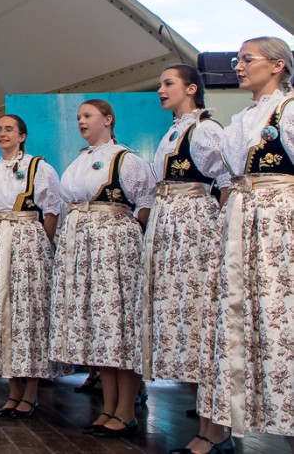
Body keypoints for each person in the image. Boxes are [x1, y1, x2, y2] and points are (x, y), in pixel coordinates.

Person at [195, 37, 294, 454]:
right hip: (244, 222)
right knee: (247, 319)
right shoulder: (243, 119)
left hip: (277, 222)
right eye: (236, 59)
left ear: (276, 65)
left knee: (280, 315)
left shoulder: (289, 110)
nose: (238, 65)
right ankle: (244, 417)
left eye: (247, 58)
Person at [136, 65, 230, 452]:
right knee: (184, 326)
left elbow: (226, 182)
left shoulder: (205, 130)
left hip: (194, 232)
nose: (161, 89)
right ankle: (206, 422)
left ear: (191, 89)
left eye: (168, 83)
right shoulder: (174, 131)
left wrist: (217, 233)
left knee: (200, 323)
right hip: (170, 229)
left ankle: (216, 429)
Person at [50, 99, 154, 438]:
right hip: (82, 248)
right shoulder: (80, 160)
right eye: (79, 116)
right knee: (100, 329)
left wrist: (124, 235)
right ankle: (109, 406)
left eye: (88, 115)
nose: (81, 121)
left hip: (113, 248)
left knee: (119, 326)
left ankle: (126, 409)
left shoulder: (126, 159)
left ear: (107, 119)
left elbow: (145, 204)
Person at [0, 114, 61, 418]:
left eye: (9, 129)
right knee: (3, 313)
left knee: (27, 314)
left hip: (28, 240)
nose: (2, 133)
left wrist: (41, 244)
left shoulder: (39, 167)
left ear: (22, 136)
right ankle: (13, 391)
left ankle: (30, 392)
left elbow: (51, 211)